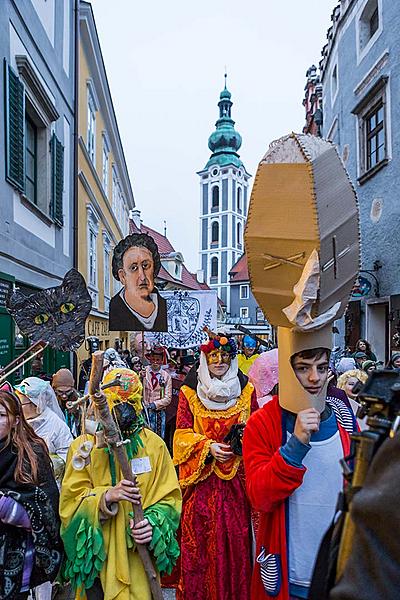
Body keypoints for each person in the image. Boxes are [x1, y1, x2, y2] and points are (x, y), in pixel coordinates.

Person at [243, 343, 357, 600]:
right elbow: (260, 496)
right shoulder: (263, 423)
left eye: (321, 367)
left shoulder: (345, 422)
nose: (314, 377)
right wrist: (296, 444)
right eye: (303, 368)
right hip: (289, 578)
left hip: (338, 578)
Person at [59, 367, 181, 600]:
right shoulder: (83, 448)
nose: (121, 412)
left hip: (138, 562)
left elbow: (170, 499)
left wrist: (152, 524)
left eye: (129, 403)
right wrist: (105, 498)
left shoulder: (153, 446)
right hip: (98, 565)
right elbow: (69, 505)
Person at [173, 332, 257, 600]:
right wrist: (206, 448)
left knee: (235, 543)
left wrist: (241, 442)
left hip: (236, 488)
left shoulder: (247, 392)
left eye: (224, 356)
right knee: (200, 546)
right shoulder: (189, 393)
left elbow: (257, 430)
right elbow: (180, 434)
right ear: (204, 359)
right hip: (202, 488)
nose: (219, 361)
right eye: (213, 356)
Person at [0, 389, 63, 600]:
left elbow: (44, 510)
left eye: (0, 415)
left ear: (16, 420)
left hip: (18, 557)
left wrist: (4, 506)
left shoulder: (31, 453)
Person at [15, 377, 73, 482]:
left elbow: (68, 456)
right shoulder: (17, 422)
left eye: (21, 404)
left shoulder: (57, 426)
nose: (18, 407)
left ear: (36, 403)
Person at [109, 233, 168, 332]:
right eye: (134, 268)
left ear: (154, 269)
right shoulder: (116, 309)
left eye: (146, 266)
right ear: (122, 276)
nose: (142, 276)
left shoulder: (163, 306)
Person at [143, 345, 172, 439]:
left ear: (161, 361)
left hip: (159, 412)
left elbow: (168, 398)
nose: (155, 362)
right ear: (150, 359)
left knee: (158, 437)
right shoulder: (144, 372)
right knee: (145, 437)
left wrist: (155, 405)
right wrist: (140, 377)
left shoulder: (166, 376)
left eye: (158, 360)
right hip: (145, 411)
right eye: (153, 359)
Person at [52, 368, 80, 434]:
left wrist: (76, 413)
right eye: (60, 392)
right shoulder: (51, 400)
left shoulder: (79, 399)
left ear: (72, 388)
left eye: (68, 391)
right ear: (54, 389)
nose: (64, 396)